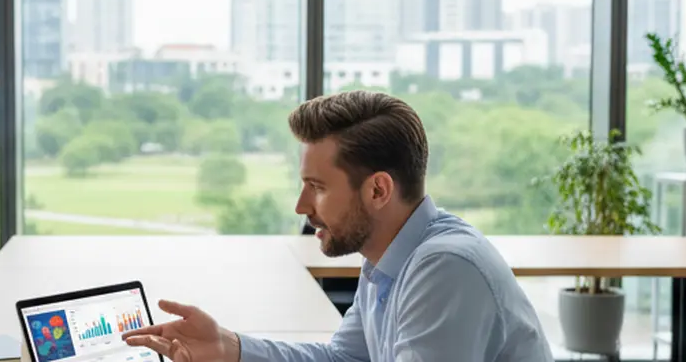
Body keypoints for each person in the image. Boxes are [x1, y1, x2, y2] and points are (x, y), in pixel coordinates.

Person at [124, 91, 553, 362]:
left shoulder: (445, 268)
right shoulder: (387, 259)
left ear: (378, 190)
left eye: (317, 187)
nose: (301, 206)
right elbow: (344, 358)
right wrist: (229, 348)